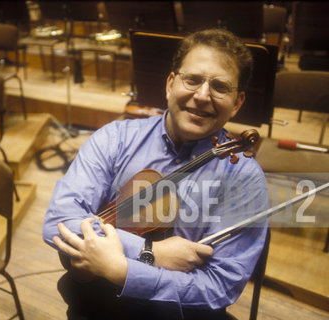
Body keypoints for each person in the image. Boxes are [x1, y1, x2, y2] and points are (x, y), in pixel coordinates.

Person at [43, 28, 269, 320]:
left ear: (237, 103)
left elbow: (218, 288)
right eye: (193, 80)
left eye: (220, 87)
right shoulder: (116, 138)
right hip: (95, 300)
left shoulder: (244, 179)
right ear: (171, 84)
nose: (202, 96)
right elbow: (57, 222)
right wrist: (149, 252)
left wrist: (123, 271)